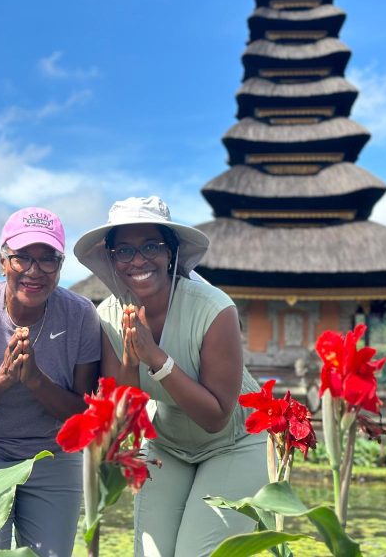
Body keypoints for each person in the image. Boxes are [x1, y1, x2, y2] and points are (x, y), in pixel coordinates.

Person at [74, 196, 267, 557]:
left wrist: (157, 358)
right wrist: (132, 361)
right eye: (124, 251)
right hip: (168, 446)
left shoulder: (214, 308)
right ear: (112, 259)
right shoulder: (109, 316)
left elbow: (215, 417)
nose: (138, 260)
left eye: (150, 246)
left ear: (171, 252)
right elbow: (125, 411)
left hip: (235, 443)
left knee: (196, 552)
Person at [0, 206, 100, 557]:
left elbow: (84, 413)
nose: (34, 271)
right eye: (22, 257)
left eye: (48, 260)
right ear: (2, 261)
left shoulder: (81, 315)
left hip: (52, 452)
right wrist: (2, 380)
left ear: (60, 265)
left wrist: (36, 381)